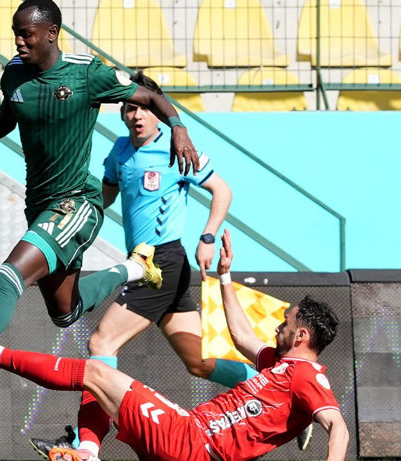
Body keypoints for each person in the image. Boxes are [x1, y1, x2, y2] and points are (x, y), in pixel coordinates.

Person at [0, 0, 201, 403]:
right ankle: (133, 269)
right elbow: (5, 121)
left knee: (8, 277)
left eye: (27, 33)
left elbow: (149, 97)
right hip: (39, 206)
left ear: (51, 33)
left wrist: (178, 127)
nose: (19, 41)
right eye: (15, 33)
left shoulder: (86, 73)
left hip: (78, 203)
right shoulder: (14, 74)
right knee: (66, 312)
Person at [26, 70, 265, 460]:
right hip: (147, 265)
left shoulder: (176, 148)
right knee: (199, 364)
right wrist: (67, 223)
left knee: (101, 344)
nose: (135, 115)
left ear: (157, 112)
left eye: (142, 108)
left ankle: (85, 447)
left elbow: (222, 190)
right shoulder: (119, 152)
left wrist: (207, 236)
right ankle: (269, 386)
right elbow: (102, 200)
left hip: (163, 261)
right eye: (128, 108)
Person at [0, 229, 349, 461]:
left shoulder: (307, 377)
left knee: (98, 370)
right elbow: (243, 337)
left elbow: (339, 430)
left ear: (301, 337)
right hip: (190, 438)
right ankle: (87, 452)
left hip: (193, 442)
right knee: (101, 376)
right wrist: (226, 278)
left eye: (286, 323)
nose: (279, 326)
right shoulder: (277, 366)